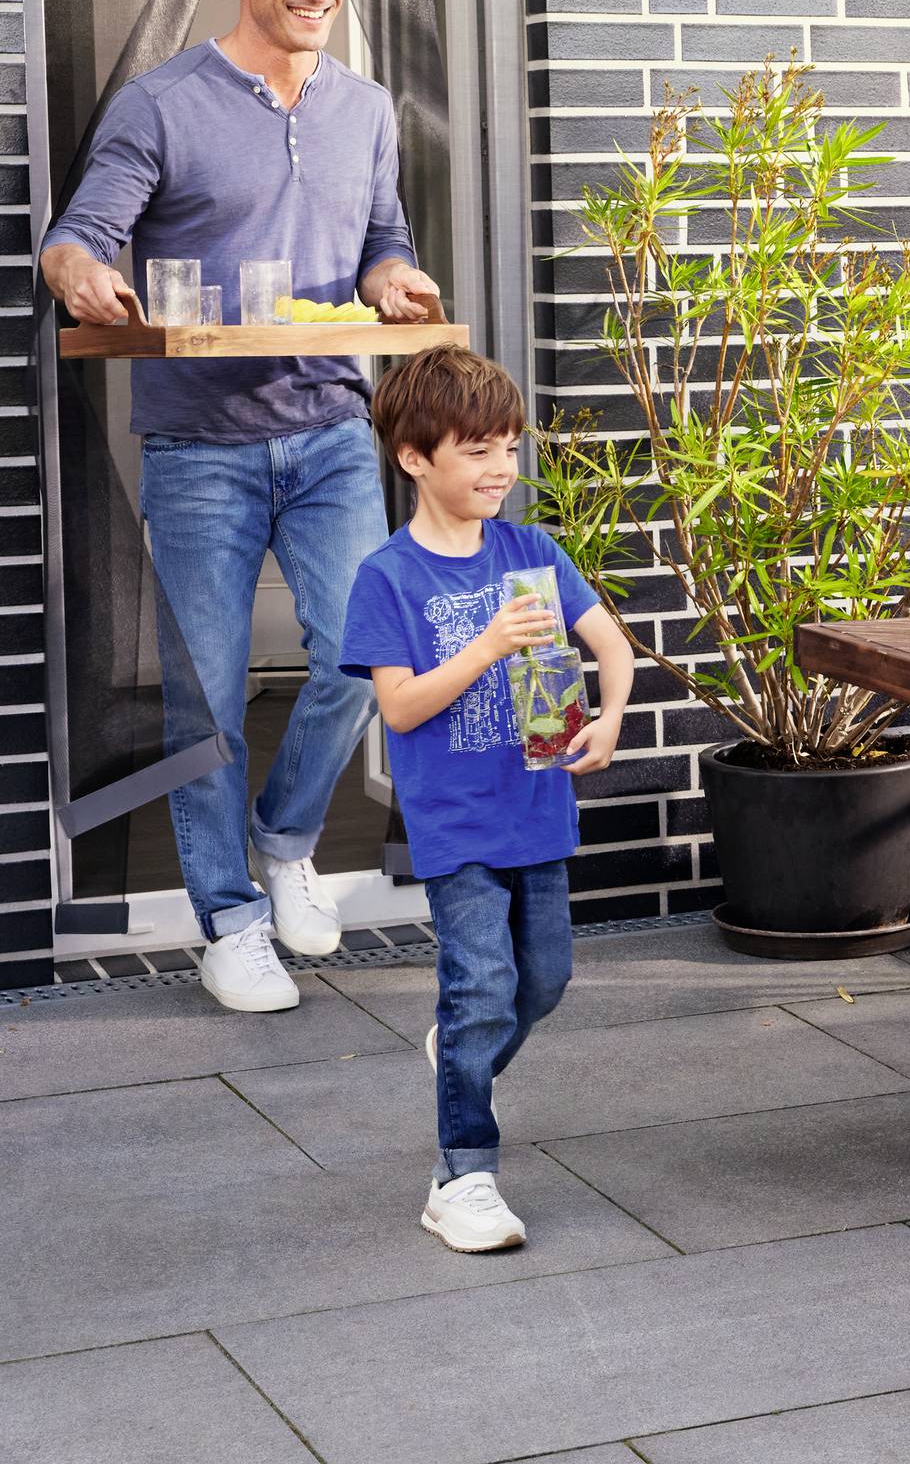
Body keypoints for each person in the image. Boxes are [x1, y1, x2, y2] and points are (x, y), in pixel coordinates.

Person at [38, 0, 445, 1013]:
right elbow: (81, 237)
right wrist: (79, 273)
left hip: (328, 430)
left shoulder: (366, 109)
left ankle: (287, 841)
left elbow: (382, 239)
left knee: (360, 658)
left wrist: (395, 277)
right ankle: (227, 919)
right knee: (207, 699)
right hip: (201, 450)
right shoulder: (162, 104)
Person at [341, 346, 635, 1253]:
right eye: (477, 450)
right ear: (415, 457)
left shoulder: (530, 550)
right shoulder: (389, 577)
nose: (501, 468)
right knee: (480, 988)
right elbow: (399, 705)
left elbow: (613, 647)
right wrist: (485, 647)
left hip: (537, 806)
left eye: (508, 446)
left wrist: (613, 717)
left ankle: (461, 1059)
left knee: (540, 980)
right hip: (454, 821)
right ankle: (462, 1175)